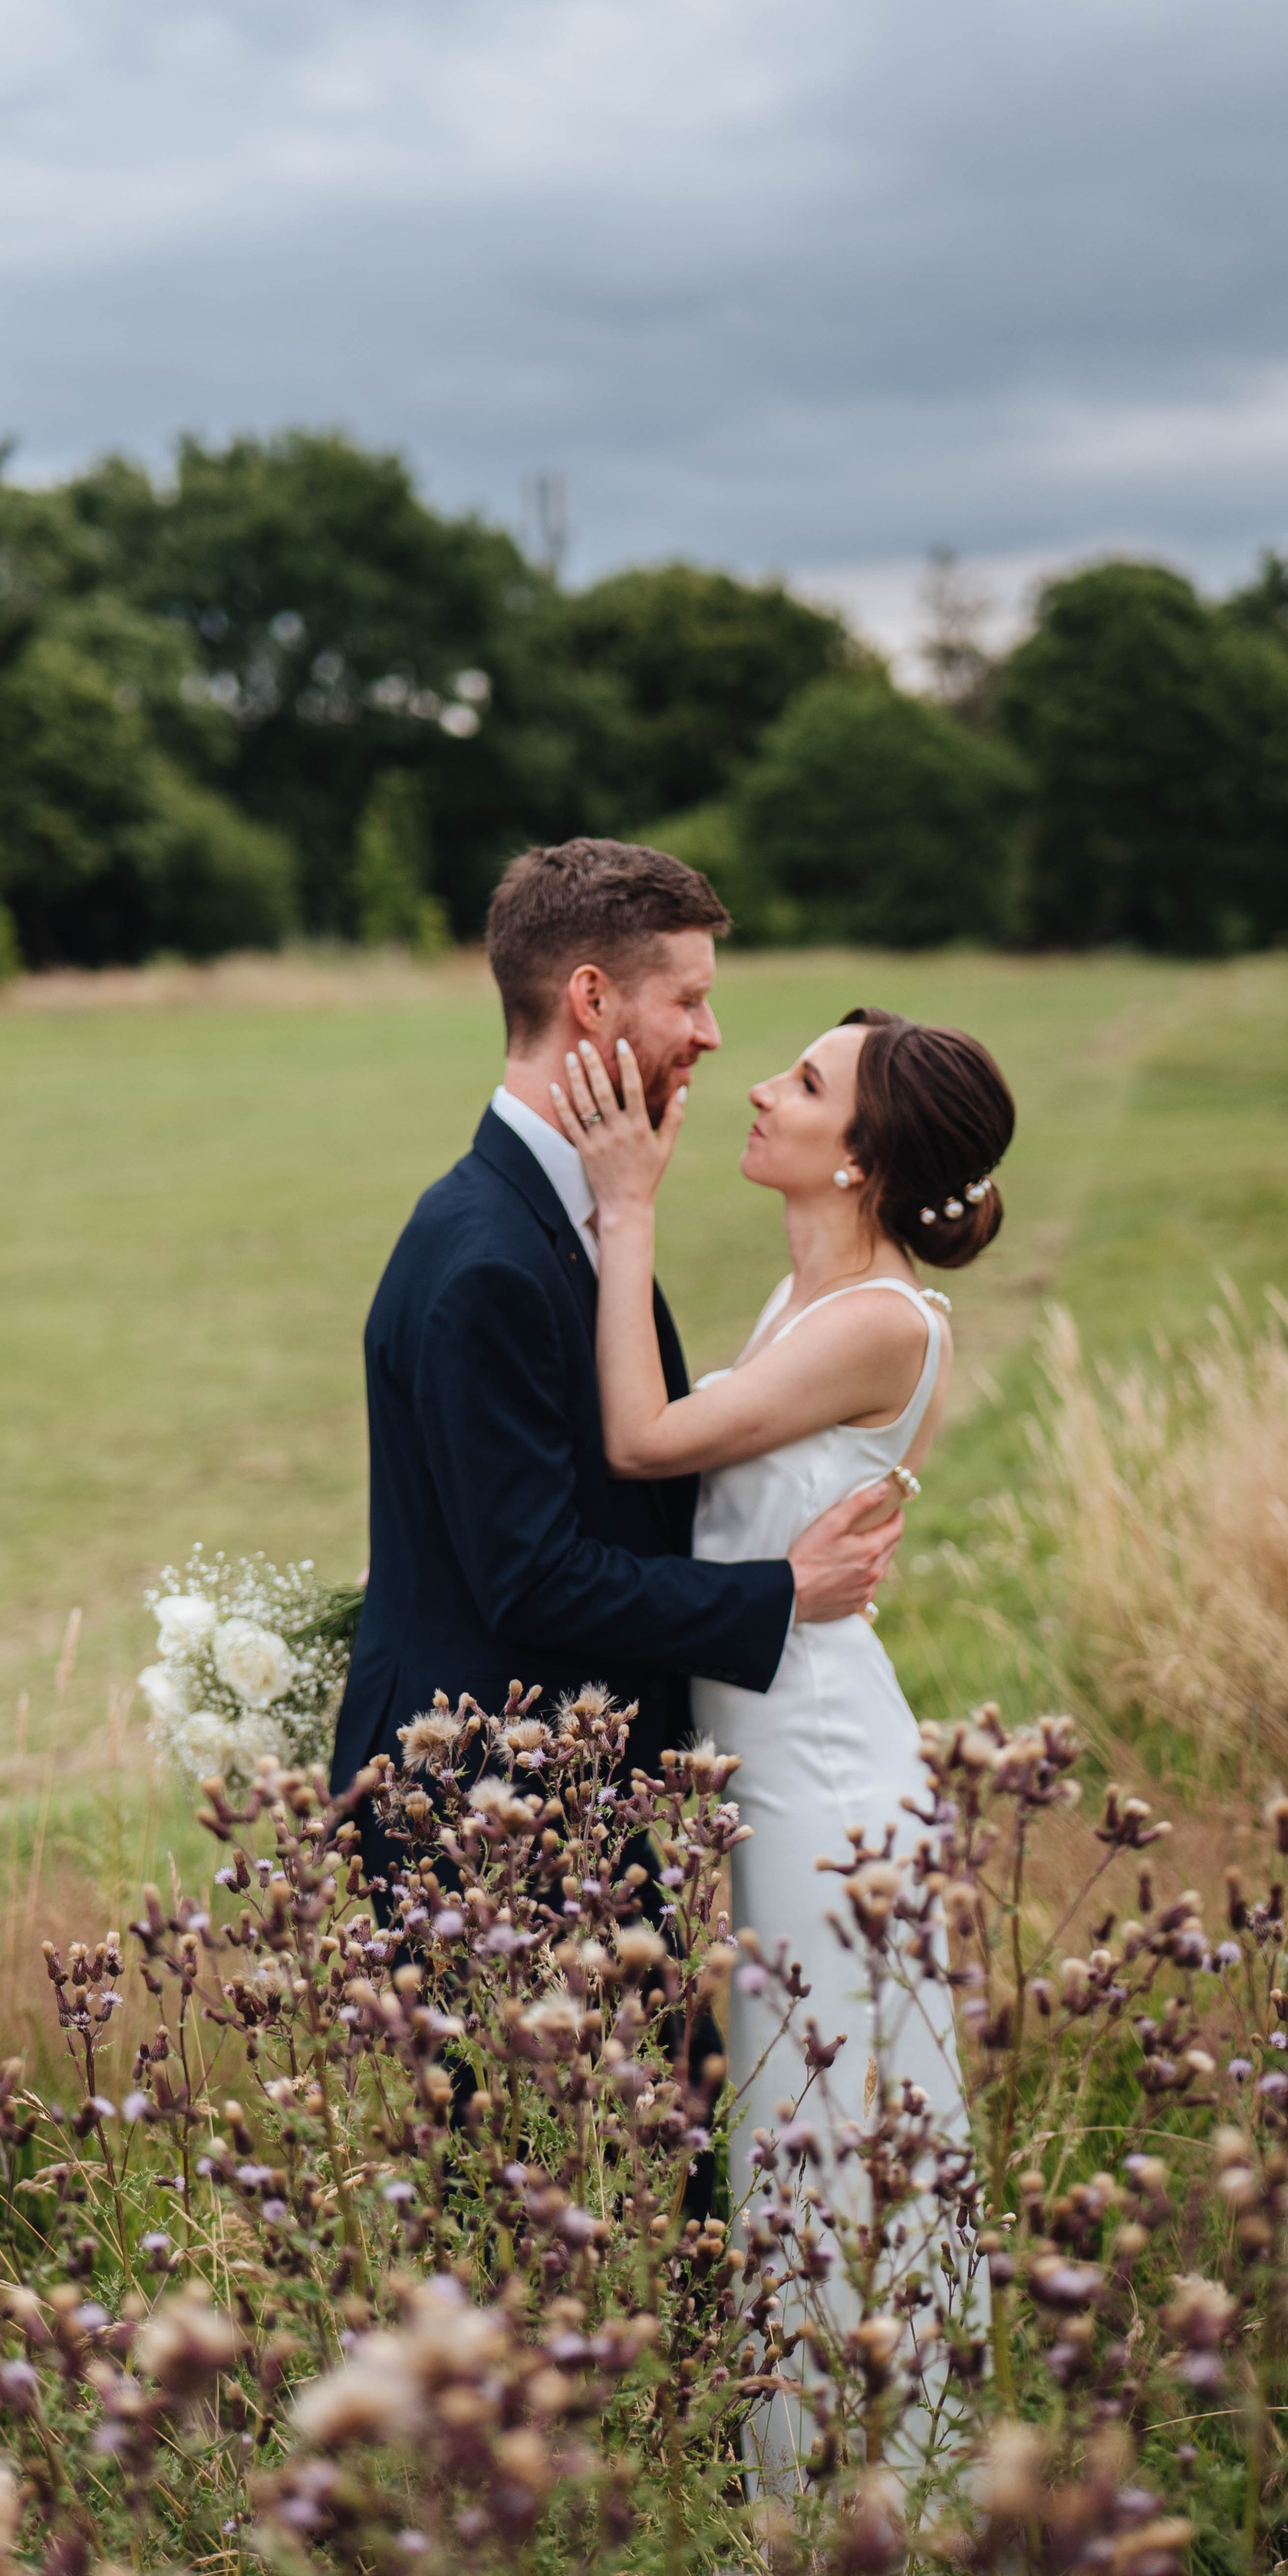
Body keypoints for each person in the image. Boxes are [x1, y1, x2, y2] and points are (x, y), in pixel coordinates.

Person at [547, 998, 1015, 2391]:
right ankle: (804, 2521)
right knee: (784, 2150)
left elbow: (644, 1440)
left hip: (827, 1787)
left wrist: (625, 1206)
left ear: (860, 1157)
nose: (759, 1087)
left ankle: (873, 2543)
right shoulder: (804, 1297)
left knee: (823, 2148)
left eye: (803, 1082)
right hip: (771, 1767)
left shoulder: (879, 1322)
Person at [328, 841, 909, 1887]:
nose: (711, 1035)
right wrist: (782, 1593)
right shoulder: (489, 1259)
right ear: (592, 999)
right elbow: (535, 1580)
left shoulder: (565, 1210)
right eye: (687, 1000)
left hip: (551, 1793)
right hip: (468, 1820)